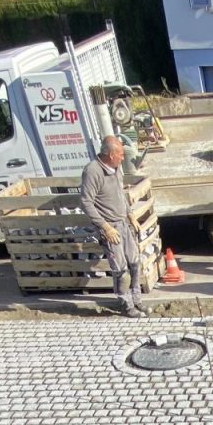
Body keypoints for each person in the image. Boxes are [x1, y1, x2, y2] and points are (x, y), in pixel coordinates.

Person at [80, 135, 144, 315]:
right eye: (121, 154)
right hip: (111, 228)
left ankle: (137, 299)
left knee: (134, 262)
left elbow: (120, 193)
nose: (123, 158)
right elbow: (86, 202)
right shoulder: (92, 171)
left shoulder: (115, 168)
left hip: (123, 223)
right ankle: (126, 304)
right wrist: (105, 227)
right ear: (110, 155)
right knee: (121, 270)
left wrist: (130, 215)